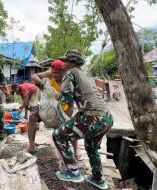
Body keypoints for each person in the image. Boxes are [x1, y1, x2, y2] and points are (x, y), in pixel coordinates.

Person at [52, 50, 113, 190]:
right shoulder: (85, 75)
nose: (63, 63)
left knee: (58, 135)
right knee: (91, 148)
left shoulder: (71, 73)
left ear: (72, 62)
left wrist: (59, 96)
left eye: (65, 61)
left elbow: (66, 99)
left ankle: (73, 172)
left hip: (93, 117)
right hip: (107, 117)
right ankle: (99, 180)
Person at [29, 60, 82, 160]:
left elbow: (73, 99)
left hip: (64, 107)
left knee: (70, 126)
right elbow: (34, 76)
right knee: (32, 117)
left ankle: (76, 149)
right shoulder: (50, 74)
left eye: (57, 73)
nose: (54, 75)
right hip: (46, 106)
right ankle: (31, 144)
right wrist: (40, 83)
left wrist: (66, 112)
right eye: (53, 72)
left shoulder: (70, 79)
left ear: (64, 71)